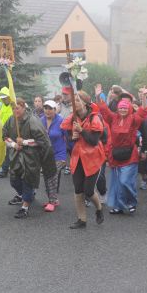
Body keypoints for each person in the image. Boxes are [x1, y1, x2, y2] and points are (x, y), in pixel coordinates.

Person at [95, 84, 147, 214]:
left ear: (129, 108)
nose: (123, 110)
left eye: (125, 108)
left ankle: (131, 202)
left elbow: (143, 110)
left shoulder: (133, 119)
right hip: (115, 154)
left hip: (130, 155)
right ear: (118, 109)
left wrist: (143, 97)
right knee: (116, 182)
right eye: (121, 108)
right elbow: (103, 109)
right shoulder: (113, 118)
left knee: (125, 181)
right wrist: (98, 96)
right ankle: (118, 206)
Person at [3, 98, 56, 219]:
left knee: (27, 180)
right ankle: (26, 195)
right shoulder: (11, 120)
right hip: (16, 155)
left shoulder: (33, 120)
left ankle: (25, 207)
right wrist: (13, 144)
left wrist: (25, 142)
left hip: (31, 157)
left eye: (17, 108)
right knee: (14, 180)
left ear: (23, 107)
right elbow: (4, 135)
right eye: (12, 108)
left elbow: (42, 141)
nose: (14, 110)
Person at [60, 90, 105, 229]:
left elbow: (93, 141)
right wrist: (71, 137)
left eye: (78, 100)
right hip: (77, 157)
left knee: (88, 190)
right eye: (74, 101)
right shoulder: (72, 118)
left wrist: (81, 131)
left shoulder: (94, 118)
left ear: (86, 103)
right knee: (78, 189)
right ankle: (82, 220)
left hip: (93, 158)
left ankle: (98, 208)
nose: (75, 103)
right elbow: (68, 137)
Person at [40, 100, 67, 212]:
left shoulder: (61, 121)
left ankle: (52, 201)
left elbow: (68, 137)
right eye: (46, 108)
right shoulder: (41, 120)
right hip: (46, 154)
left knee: (52, 175)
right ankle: (53, 199)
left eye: (50, 108)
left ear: (55, 110)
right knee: (47, 176)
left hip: (59, 154)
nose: (47, 110)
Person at [0, 87, 13, 178]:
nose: (3, 99)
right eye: (2, 98)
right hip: (2, 132)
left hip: (12, 131)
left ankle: (12, 169)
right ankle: (4, 169)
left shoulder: (13, 104)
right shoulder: (0, 105)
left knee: (12, 150)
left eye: (5, 97)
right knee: (4, 152)